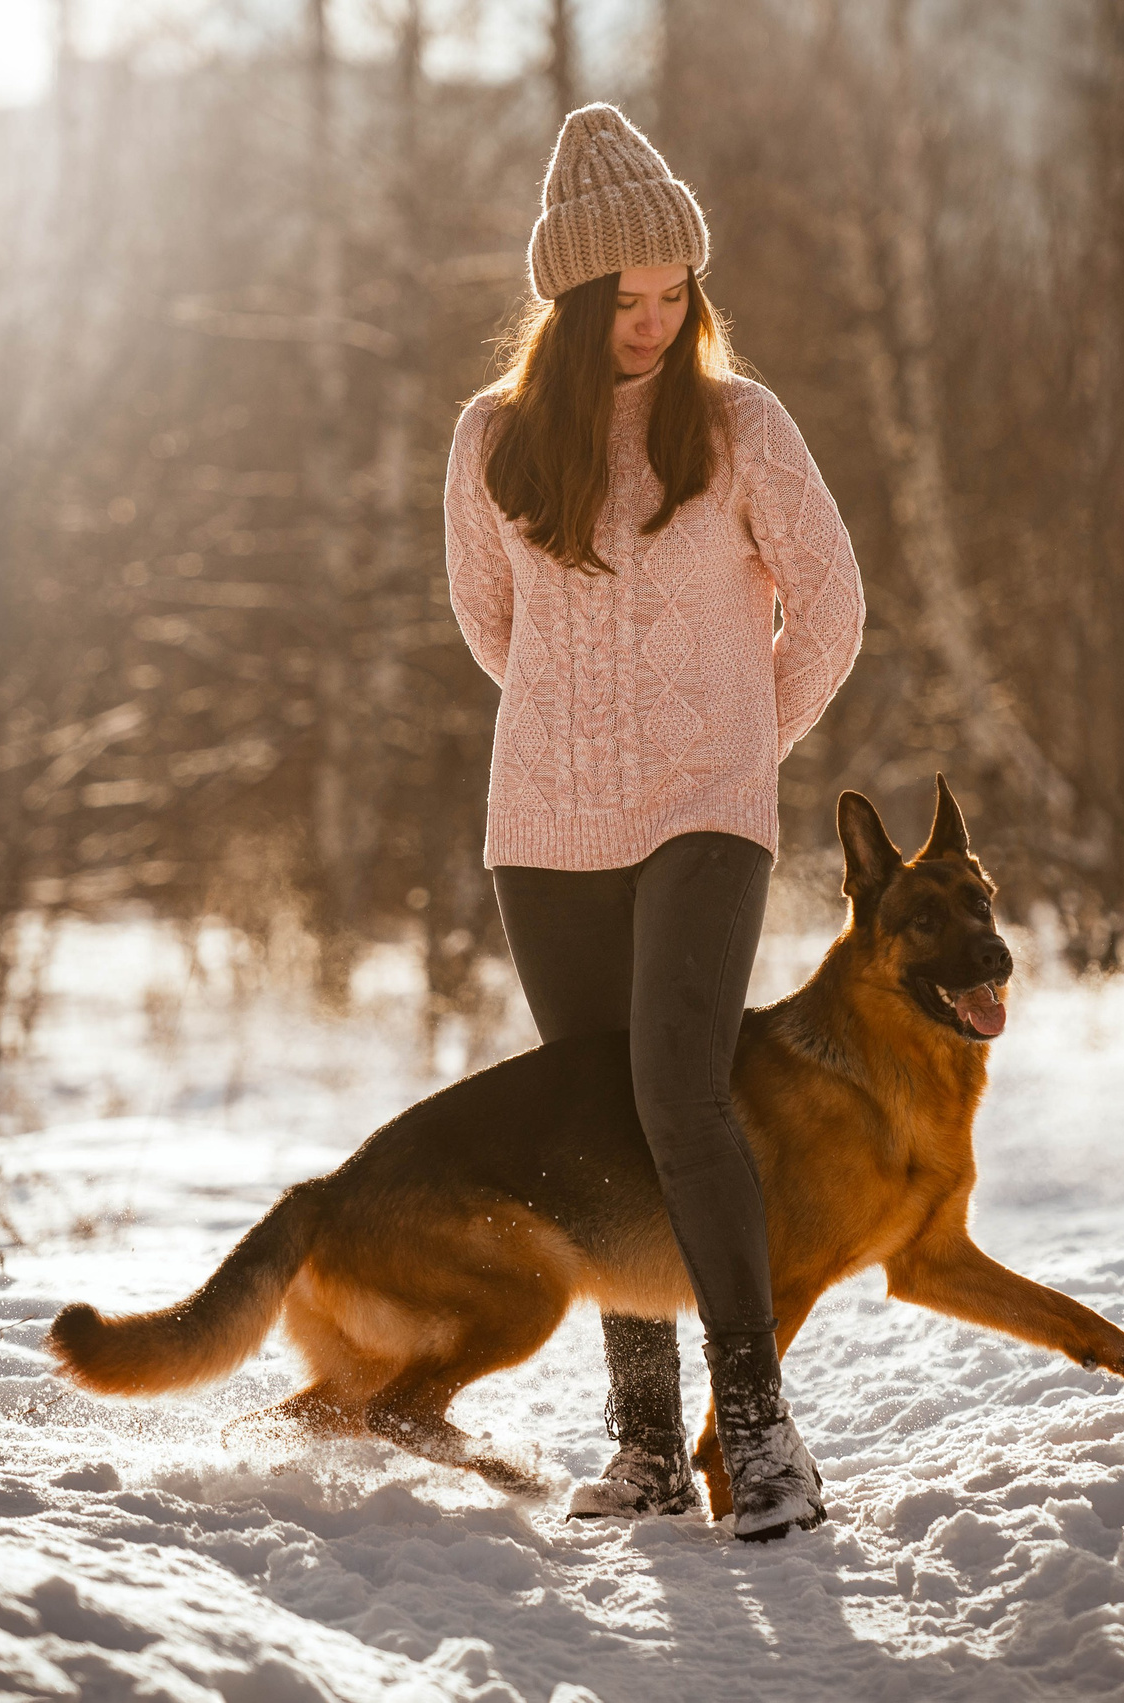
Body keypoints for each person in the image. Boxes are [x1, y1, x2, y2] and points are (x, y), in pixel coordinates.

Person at [443, 104, 865, 1541]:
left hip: (706, 813)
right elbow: (497, 633)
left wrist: (736, 750)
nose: (655, 320)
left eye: (674, 295)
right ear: (567, 305)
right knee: (596, 1124)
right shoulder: (493, 440)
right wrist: (584, 741)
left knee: (682, 1097)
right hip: (545, 829)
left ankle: (757, 1434)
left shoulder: (743, 425)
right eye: (625, 302)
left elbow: (836, 605)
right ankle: (639, 1446)